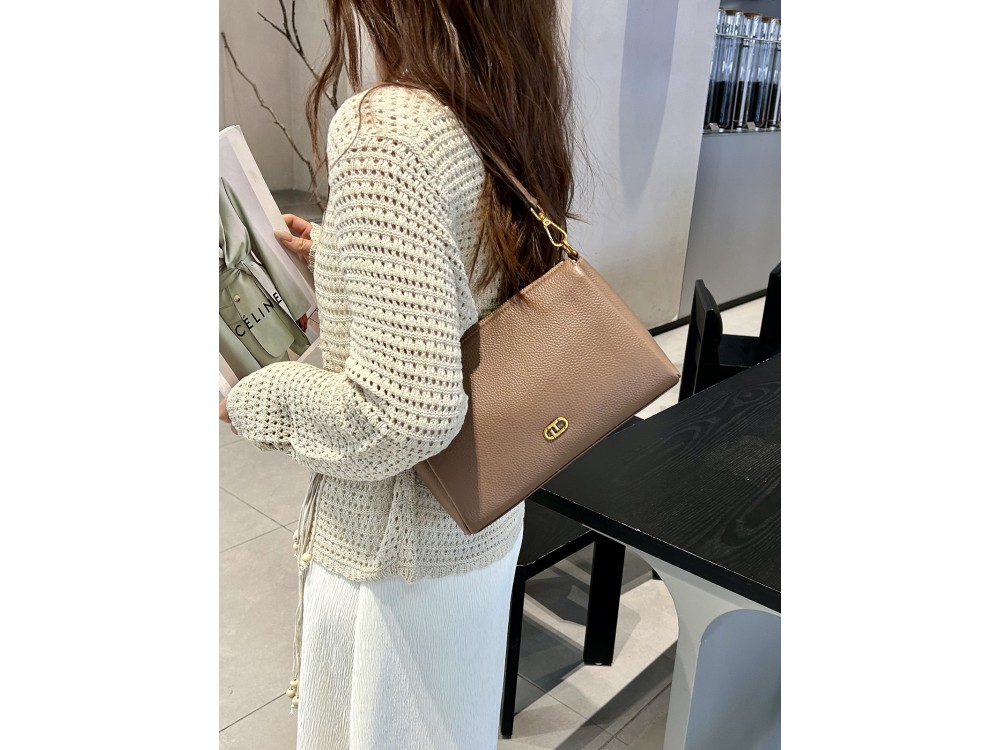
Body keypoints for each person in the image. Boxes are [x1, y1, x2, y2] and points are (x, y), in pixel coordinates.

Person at [219, 1, 580, 747]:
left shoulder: (386, 131)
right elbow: (470, 277)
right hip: (480, 522)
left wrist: (259, 398)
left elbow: (402, 413)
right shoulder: (502, 106)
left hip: (392, 568)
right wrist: (342, 254)